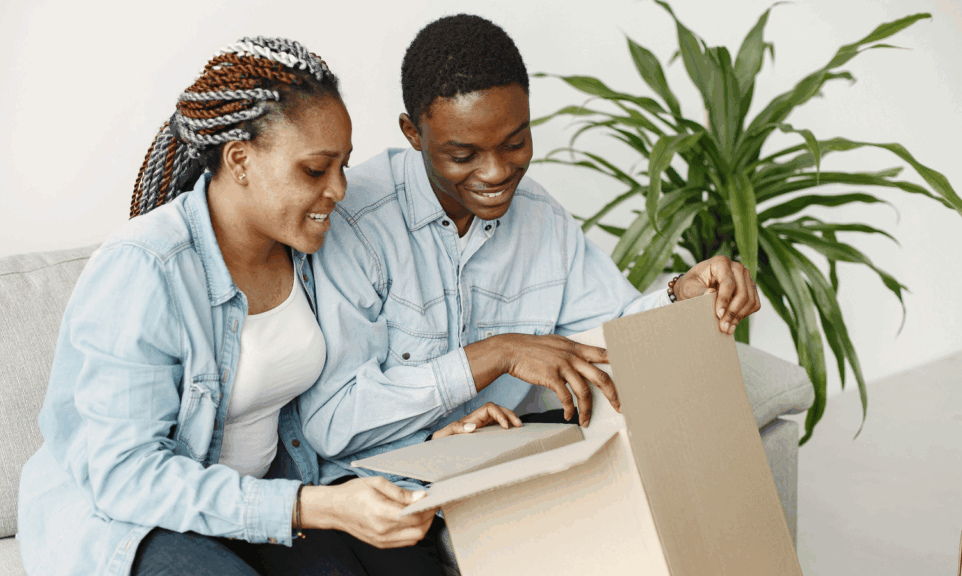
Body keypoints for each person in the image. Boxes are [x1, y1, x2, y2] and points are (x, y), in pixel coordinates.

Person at [16, 36, 512, 576]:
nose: (340, 190)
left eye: (343, 166)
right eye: (315, 170)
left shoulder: (309, 249)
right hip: (132, 520)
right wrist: (309, 506)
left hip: (263, 500)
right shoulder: (145, 267)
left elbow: (334, 407)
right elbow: (126, 475)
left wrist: (431, 442)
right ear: (239, 160)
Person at [298, 14, 762, 488]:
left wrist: (678, 296)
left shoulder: (542, 219)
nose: (497, 172)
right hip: (373, 485)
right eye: (463, 156)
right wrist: (497, 354)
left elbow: (608, 341)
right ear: (413, 133)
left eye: (516, 142)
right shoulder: (352, 221)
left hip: (495, 471)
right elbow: (333, 422)